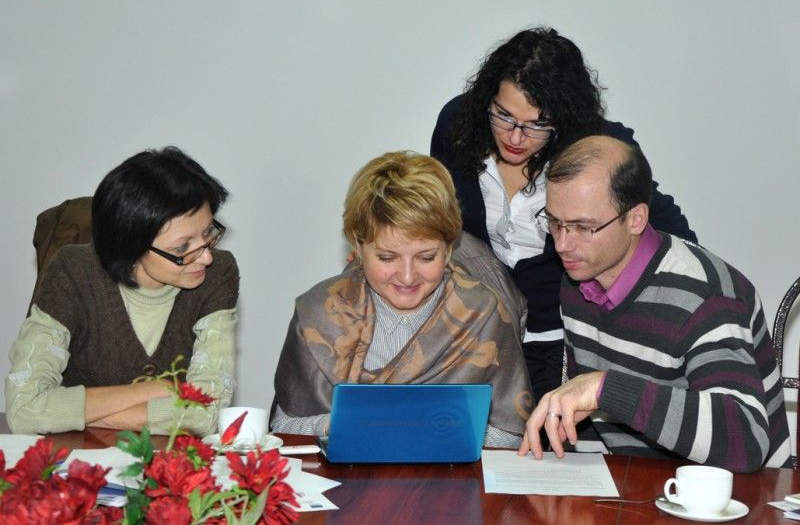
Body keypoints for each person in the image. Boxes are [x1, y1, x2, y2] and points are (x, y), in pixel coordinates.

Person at [430, 27, 698, 403]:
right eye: (503, 115)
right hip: (480, 336)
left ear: (564, 117)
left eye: (538, 125)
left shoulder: (598, 152)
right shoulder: (458, 127)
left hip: (566, 343)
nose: (515, 137)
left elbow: (673, 236)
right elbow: (438, 219)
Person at [518, 135, 790, 472]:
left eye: (583, 227)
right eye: (554, 222)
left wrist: (606, 388)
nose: (562, 244)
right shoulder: (578, 280)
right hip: (637, 482)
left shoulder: (704, 294)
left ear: (636, 218)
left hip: (736, 490)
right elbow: (593, 422)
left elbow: (745, 441)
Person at [271, 151, 533, 447]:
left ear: (449, 247)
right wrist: (345, 424)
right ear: (358, 246)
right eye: (387, 257)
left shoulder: (483, 314)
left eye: (426, 257)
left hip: (448, 474)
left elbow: (513, 434)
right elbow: (284, 425)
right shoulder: (319, 314)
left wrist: (436, 431)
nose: (407, 277)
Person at [5, 147, 239, 436]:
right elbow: (25, 408)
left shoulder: (218, 274)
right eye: (182, 247)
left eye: (208, 233)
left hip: (167, 459)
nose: (206, 257)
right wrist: (154, 390)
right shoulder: (73, 271)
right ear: (132, 245)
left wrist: (80, 413)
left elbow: (206, 413)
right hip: (80, 457)